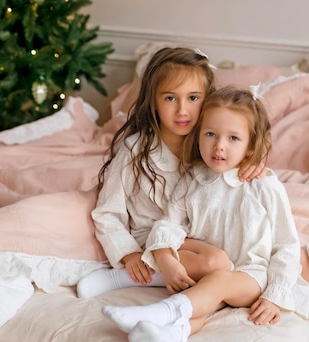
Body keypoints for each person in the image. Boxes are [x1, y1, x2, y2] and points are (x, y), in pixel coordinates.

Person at [102, 86, 309, 342]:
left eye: (233, 138)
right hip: (213, 271)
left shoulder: (263, 185)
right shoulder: (194, 179)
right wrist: (164, 255)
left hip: (251, 275)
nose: (219, 145)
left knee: (218, 281)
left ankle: (159, 312)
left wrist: (275, 295)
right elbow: (170, 222)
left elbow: (286, 244)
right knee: (206, 301)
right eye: (210, 134)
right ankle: (168, 336)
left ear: (250, 146)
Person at [76, 47, 263, 299]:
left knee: (232, 262)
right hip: (151, 240)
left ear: (207, 99)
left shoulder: (210, 145)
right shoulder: (136, 150)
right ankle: (120, 279)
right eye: (170, 98)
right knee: (216, 263)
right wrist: (129, 255)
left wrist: (254, 162)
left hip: (195, 239)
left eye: (193, 98)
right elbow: (107, 212)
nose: (182, 110)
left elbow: (244, 141)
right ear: (153, 100)